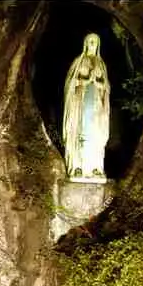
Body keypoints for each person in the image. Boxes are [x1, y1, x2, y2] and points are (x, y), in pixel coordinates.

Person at [62, 33, 111, 181]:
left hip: (96, 105)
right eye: (90, 41)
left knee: (95, 134)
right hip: (80, 103)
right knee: (79, 132)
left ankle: (95, 167)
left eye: (95, 41)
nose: (92, 44)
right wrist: (85, 80)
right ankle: (78, 167)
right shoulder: (79, 61)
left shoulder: (101, 63)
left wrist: (98, 83)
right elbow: (70, 83)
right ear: (85, 43)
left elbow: (106, 87)